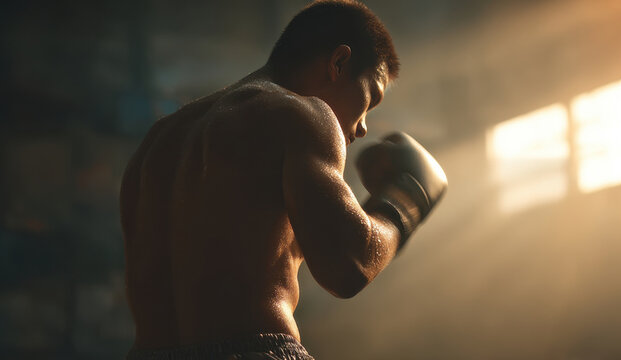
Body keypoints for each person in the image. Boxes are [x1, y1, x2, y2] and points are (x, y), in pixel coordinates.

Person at [119, 1, 447, 359]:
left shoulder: (158, 141)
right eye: (371, 98)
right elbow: (349, 265)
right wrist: (407, 198)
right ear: (339, 63)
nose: (363, 127)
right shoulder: (301, 113)